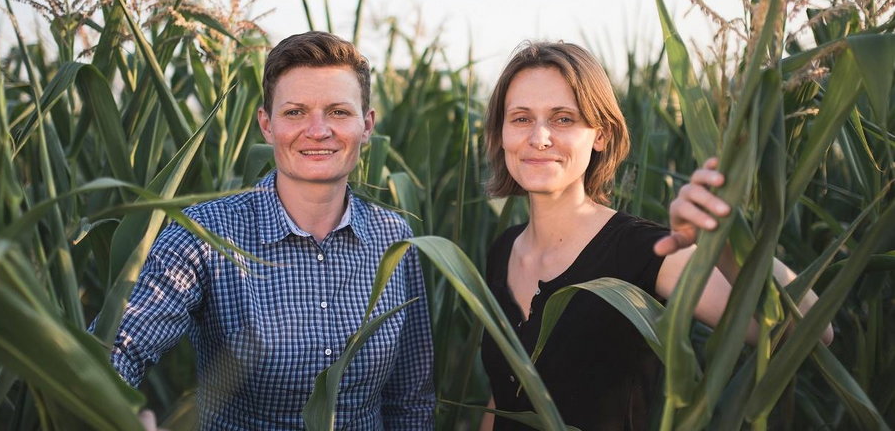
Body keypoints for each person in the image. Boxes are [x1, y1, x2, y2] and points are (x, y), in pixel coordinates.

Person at [478, 41, 831, 431]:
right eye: (521, 118)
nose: (539, 137)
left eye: (563, 119)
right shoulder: (503, 249)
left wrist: (723, 240)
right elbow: (501, 398)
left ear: (601, 134)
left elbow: (813, 333)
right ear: (501, 133)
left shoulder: (644, 251)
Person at [107, 32, 435, 429]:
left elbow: (410, 401)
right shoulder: (205, 236)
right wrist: (121, 412)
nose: (317, 130)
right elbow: (117, 349)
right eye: (295, 112)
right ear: (267, 124)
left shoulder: (394, 239)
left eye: (338, 112)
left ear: (366, 126)